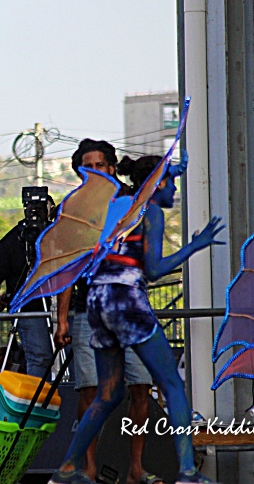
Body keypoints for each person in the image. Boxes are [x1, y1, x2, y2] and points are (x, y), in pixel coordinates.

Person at [50, 154, 225, 484]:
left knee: (109, 395)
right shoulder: (151, 211)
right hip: (126, 301)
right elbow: (155, 269)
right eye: (171, 183)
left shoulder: (116, 206)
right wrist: (195, 246)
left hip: (97, 302)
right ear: (157, 184)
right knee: (172, 385)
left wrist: (171, 168)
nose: (174, 190)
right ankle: (188, 471)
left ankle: (68, 467)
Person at [52, 139, 157, 484]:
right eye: (88, 166)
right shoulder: (72, 210)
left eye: (101, 165)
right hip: (87, 310)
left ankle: (136, 468)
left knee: (141, 385)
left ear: (112, 168)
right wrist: (62, 317)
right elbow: (66, 267)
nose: (95, 172)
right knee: (90, 389)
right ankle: (89, 467)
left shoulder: (130, 204)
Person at [0, 186, 55, 379]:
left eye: (40, 208)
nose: (34, 212)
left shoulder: (57, 234)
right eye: (30, 207)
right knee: (40, 357)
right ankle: (38, 402)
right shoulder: (13, 239)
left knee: (67, 357)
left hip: (60, 304)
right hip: (28, 307)